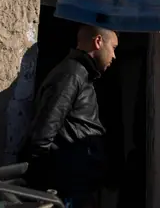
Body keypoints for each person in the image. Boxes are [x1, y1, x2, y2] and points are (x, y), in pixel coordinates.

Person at [23, 25, 118, 208]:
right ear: (98, 42)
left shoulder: (82, 75)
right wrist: (45, 184)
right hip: (67, 188)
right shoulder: (71, 74)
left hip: (78, 184)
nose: (114, 56)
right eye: (113, 48)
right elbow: (44, 131)